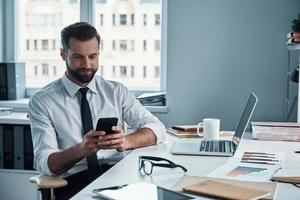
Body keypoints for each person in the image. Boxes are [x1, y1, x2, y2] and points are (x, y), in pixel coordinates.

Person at [29, 22, 166, 199]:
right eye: (78, 57)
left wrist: (126, 141)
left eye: (93, 56)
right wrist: (81, 150)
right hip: (73, 182)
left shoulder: (116, 91)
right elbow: (46, 163)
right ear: (63, 54)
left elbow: (157, 128)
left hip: (120, 177)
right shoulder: (42, 101)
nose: (87, 64)